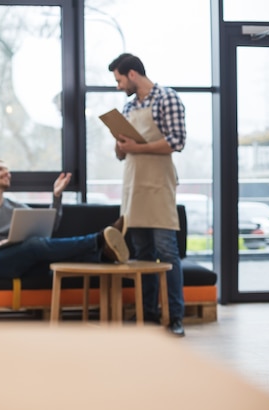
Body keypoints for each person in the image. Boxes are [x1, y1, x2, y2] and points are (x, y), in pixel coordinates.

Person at [108, 53, 186, 336]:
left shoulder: (167, 98)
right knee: (142, 254)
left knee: (167, 253)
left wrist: (136, 148)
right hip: (134, 187)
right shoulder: (128, 108)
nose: (118, 86)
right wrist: (120, 145)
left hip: (158, 186)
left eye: (118, 79)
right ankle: (149, 314)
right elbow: (121, 154)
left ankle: (175, 317)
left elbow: (176, 142)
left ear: (131, 74)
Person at [0, 158, 129, 282]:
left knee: (45, 253)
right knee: (35, 245)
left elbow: (49, 225)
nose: (7, 172)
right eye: (0, 169)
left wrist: (57, 196)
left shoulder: (16, 206)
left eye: (7, 169)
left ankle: (103, 255)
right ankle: (98, 240)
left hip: (15, 257)